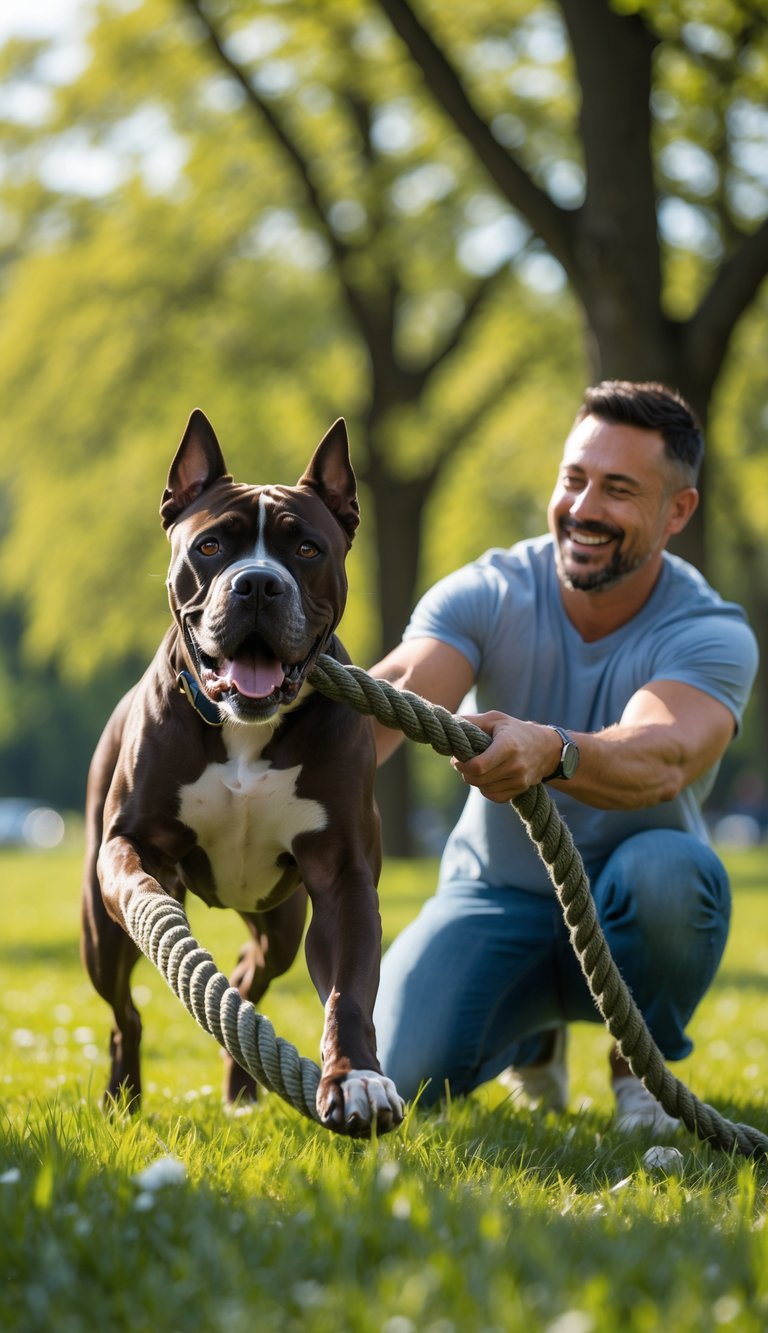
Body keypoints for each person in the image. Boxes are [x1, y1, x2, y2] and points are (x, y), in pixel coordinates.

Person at [370, 380, 759, 1132]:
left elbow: (663, 753)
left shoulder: (711, 631)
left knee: (676, 879)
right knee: (400, 1073)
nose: (582, 509)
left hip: (634, 902)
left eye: (617, 489)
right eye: (573, 478)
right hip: (495, 896)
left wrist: (553, 749)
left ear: (677, 511)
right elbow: (402, 689)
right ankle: (530, 1035)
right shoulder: (488, 590)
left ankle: (636, 1068)